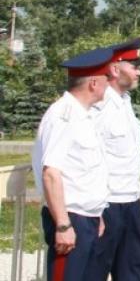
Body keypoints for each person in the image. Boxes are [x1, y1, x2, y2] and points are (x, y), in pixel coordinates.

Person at [33, 46, 112, 281]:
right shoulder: (63, 116)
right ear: (94, 84)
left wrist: (96, 214)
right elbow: (51, 173)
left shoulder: (83, 115)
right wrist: (63, 225)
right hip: (70, 219)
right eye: (106, 78)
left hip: (86, 218)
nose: (109, 83)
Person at [87, 38, 140, 281]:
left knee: (133, 269)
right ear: (115, 69)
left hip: (131, 199)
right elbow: (91, 156)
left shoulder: (125, 103)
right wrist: (96, 206)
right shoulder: (99, 106)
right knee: (96, 270)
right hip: (108, 203)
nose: (139, 72)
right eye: (134, 66)